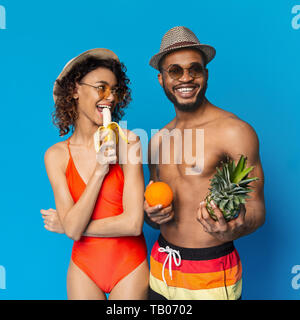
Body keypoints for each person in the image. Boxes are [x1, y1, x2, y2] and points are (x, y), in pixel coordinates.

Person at [144, 26, 265, 300]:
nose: (186, 77)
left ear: (206, 74)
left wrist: (235, 227)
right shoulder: (157, 142)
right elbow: (155, 217)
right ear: (161, 79)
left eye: (194, 69)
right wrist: (151, 216)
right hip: (161, 268)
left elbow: (257, 206)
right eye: (174, 71)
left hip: (211, 273)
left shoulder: (234, 131)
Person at [41, 48, 148, 300]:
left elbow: (133, 224)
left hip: (129, 266)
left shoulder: (129, 143)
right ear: (75, 90)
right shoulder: (55, 156)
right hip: (84, 268)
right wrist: (100, 170)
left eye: (115, 90)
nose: (109, 97)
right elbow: (73, 230)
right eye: (101, 87)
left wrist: (69, 225)